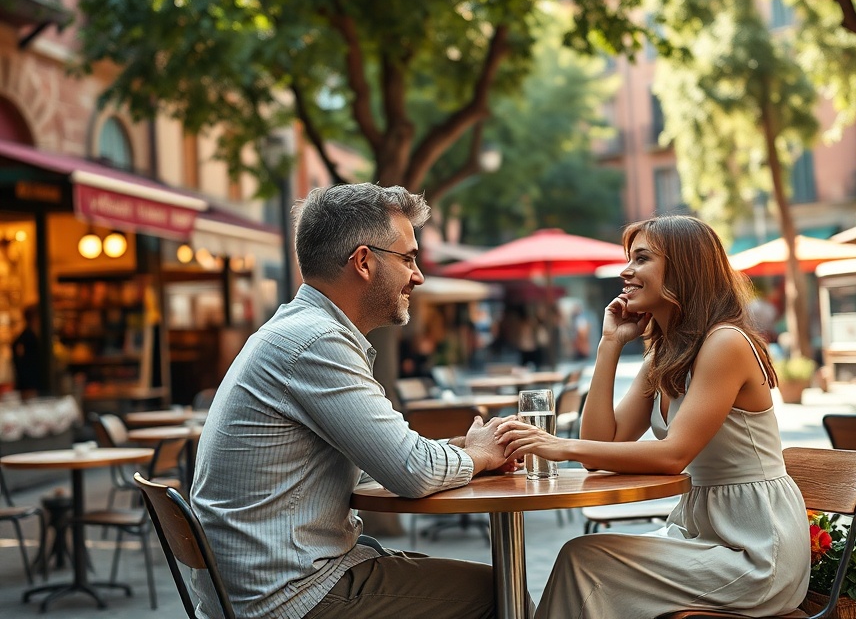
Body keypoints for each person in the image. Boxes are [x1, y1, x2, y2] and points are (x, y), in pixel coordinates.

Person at [190, 184, 513, 619]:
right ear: (363, 261)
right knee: (501, 596)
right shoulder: (316, 342)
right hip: (289, 597)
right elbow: (412, 471)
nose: (418, 276)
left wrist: (464, 452)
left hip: (264, 585)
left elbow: (392, 455)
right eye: (409, 258)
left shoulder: (297, 330)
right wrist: (479, 455)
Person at [498, 215, 810, 618]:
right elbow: (600, 449)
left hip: (756, 551)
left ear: (682, 270)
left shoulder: (725, 343)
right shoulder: (665, 356)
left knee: (586, 561)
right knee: (586, 562)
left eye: (641, 259)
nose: (626, 271)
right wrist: (609, 344)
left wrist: (558, 446)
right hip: (703, 535)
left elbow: (672, 455)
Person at [12, 304, 42, 397]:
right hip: (30, 387)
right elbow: (24, 365)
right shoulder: (27, 338)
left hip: (31, 385)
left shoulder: (29, 336)